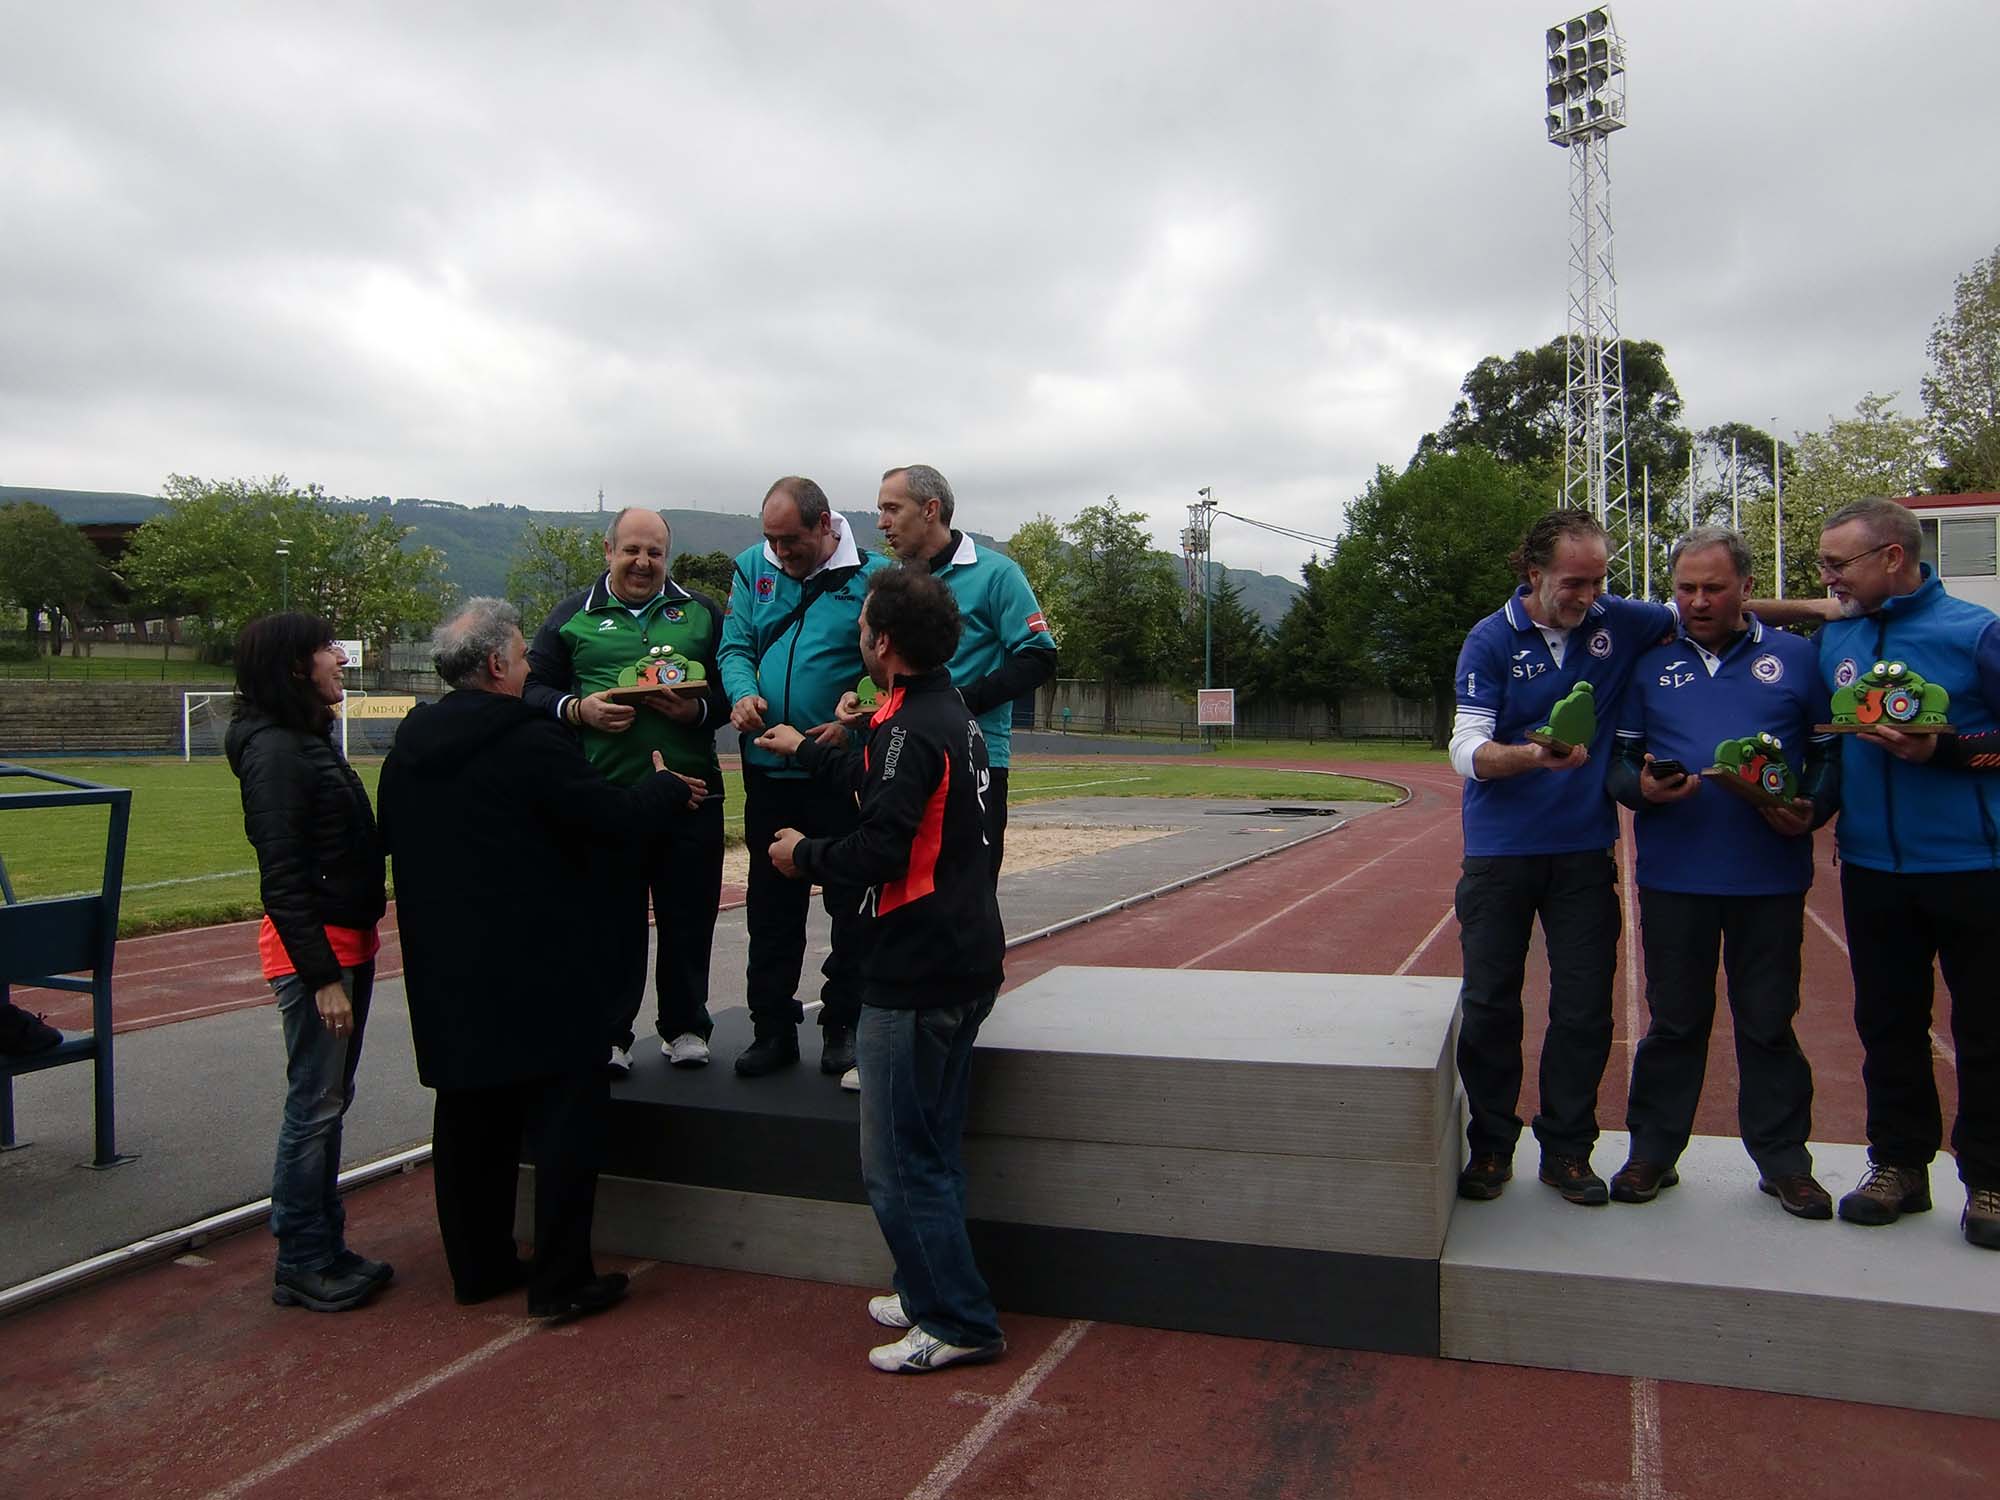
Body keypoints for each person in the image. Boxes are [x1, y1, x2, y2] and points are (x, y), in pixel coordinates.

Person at [380, 598, 709, 1317]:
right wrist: (660, 788)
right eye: (524, 655)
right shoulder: (529, 741)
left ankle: (478, 1266)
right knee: (566, 1113)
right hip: (540, 965)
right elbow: (609, 821)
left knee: (467, 1118)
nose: (530, 667)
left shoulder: (408, 748)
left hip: (444, 969)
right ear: (497, 664)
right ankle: (562, 1280)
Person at [757, 568, 1007, 1373]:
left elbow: (881, 848)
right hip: (963, 958)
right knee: (932, 1146)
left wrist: (804, 855)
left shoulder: (911, 727)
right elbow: (883, 784)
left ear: (884, 642)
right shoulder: (937, 710)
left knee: (899, 1162)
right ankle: (927, 1284)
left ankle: (957, 1319)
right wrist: (809, 749)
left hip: (918, 970)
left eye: (863, 625)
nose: (856, 635)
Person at [1604, 526, 1839, 1218]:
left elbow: (1830, 756)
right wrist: (1642, 790)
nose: (1699, 601)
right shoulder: (1649, 663)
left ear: (1746, 587)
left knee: (1767, 1022)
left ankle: (1784, 1161)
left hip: (1769, 875)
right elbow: (1620, 763)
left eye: (1714, 587)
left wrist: (1813, 808)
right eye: (1686, 588)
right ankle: (1652, 1152)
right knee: (1674, 1022)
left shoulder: (1797, 658)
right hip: (1675, 875)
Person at [1448, 509, 1677, 1207]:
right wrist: (1531, 757)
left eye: (1599, 580)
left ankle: (1567, 1150)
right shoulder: (1490, 639)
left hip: (1583, 852)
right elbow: (1465, 748)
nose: (1589, 596)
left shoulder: (1617, 620)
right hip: (1500, 854)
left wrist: (1826, 608)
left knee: (1583, 1009)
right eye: (1574, 582)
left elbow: (1708, 606)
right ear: (1534, 573)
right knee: (1490, 1005)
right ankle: (1492, 1145)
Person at [1810, 496, 2000, 1250]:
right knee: (1887, 1025)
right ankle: (1898, 1165)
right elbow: (1829, 744)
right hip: (1871, 869)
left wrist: (1942, 749)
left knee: (1985, 1029)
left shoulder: (1975, 632)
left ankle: (1990, 1178)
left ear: (1893, 557)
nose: (1827, 577)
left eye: (1838, 563)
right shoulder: (1838, 637)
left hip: (1974, 867)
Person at [224, 615, 391, 1313]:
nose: (340, 659)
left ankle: (324, 1245)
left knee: (328, 1103)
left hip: (345, 941)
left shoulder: (304, 738)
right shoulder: (277, 752)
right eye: (328, 649)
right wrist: (322, 978)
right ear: (296, 666)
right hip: (319, 955)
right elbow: (283, 875)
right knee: (315, 1107)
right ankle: (302, 1257)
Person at [524, 507, 727, 1076]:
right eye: (632, 550)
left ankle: (686, 1026)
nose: (643, 562)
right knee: (610, 923)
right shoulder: (571, 615)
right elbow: (530, 688)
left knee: (689, 918)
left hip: (692, 794)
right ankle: (610, 1033)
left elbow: (732, 687)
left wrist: (695, 712)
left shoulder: (701, 612)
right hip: (607, 798)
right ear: (608, 550)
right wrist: (577, 709)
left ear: (668, 555)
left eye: (654, 552)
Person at [717, 476, 889, 1079]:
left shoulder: (874, 575)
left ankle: (843, 1023)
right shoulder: (751, 568)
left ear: (824, 525)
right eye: (771, 539)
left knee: (851, 905)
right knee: (770, 909)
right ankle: (771, 1028)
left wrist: (855, 725)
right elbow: (735, 646)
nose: (780, 552)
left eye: (790, 540)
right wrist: (741, 694)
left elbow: (888, 670)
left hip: (838, 771)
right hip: (768, 771)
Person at [871, 464, 1057, 883]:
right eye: (881, 510)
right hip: (898, 754)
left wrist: (958, 703)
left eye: (892, 509)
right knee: (896, 889)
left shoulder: (997, 574)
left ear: (930, 510)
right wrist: (861, 696)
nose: (882, 522)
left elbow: (1039, 657)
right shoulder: (890, 581)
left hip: (975, 759)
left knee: (967, 896)